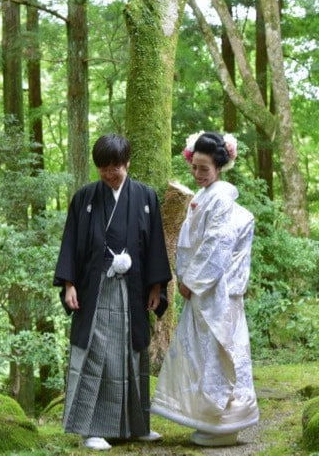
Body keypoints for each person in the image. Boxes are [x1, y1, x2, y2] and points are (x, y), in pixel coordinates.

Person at [54, 134, 172, 451]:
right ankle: (91, 429)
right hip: (96, 287)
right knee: (96, 354)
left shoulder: (146, 197)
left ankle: (137, 426)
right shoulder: (84, 198)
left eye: (115, 167)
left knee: (132, 355)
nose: (110, 173)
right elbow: (70, 244)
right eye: (103, 168)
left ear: (127, 162)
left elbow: (156, 247)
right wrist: (69, 284)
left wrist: (157, 287)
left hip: (133, 288)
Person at [151, 131, 259, 447]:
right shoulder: (208, 197)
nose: (198, 174)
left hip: (215, 292)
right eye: (195, 167)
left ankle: (223, 423)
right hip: (206, 290)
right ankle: (213, 422)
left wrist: (191, 281)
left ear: (220, 166)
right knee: (205, 355)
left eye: (204, 169)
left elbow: (216, 247)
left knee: (218, 354)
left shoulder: (220, 199)